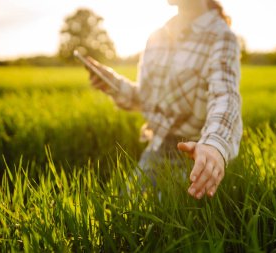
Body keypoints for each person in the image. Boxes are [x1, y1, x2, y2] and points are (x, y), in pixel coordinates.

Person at [86, 0, 242, 199]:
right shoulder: (157, 36)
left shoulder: (220, 36)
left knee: (174, 221)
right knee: (124, 212)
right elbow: (147, 99)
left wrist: (214, 146)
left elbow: (225, 97)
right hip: (157, 148)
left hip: (195, 155)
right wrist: (112, 84)